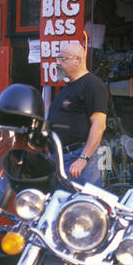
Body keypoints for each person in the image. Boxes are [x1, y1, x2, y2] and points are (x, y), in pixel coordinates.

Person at [47, 38, 108, 186]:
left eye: (63, 59)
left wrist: (83, 158)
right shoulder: (68, 88)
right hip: (60, 159)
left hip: (78, 160)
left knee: (82, 205)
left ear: (78, 60)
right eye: (58, 58)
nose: (58, 63)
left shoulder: (93, 85)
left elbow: (99, 125)